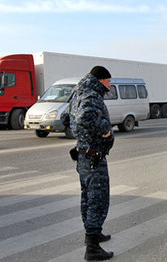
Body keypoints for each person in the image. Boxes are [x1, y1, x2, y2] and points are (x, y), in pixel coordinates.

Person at [65, 66, 115, 260]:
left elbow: (66, 117)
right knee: (98, 197)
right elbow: (84, 116)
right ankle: (92, 247)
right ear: (101, 80)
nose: (110, 85)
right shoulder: (91, 95)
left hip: (84, 153)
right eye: (108, 81)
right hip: (93, 153)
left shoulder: (78, 93)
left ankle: (93, 234)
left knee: (88, 195)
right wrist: (105, 130)